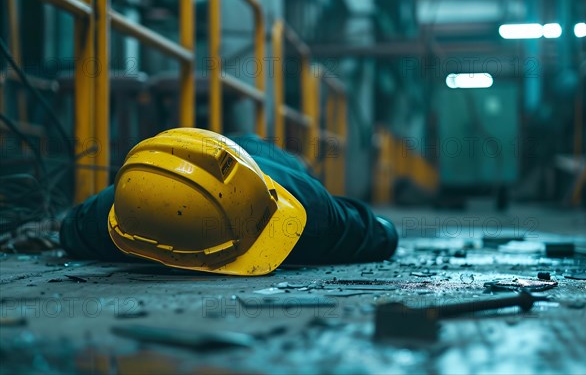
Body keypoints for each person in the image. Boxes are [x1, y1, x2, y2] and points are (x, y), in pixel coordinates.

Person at [60, 128, 398, 275]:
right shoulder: (314, 219)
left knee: (281, 158)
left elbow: (68, 229)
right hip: (205, 154)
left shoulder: (112, 213)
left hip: (235, 155)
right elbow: (380, 235)